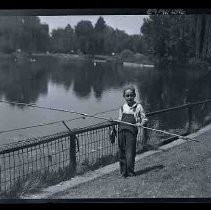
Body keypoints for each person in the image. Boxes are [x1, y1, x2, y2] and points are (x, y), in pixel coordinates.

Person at [118, 86, 148, 178]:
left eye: (131, 95)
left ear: (134, 95)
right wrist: (113, 122)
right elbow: (119, 120)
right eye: (127, 96)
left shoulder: (138, 106)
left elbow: (145, 119)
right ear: (124, 96)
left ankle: (130, 172)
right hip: (121, 131)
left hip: (131, 133)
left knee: (130, 152)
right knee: (122, 152)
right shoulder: (122, 107)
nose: (129, 97)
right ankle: (123, 173)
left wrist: (140, 123)